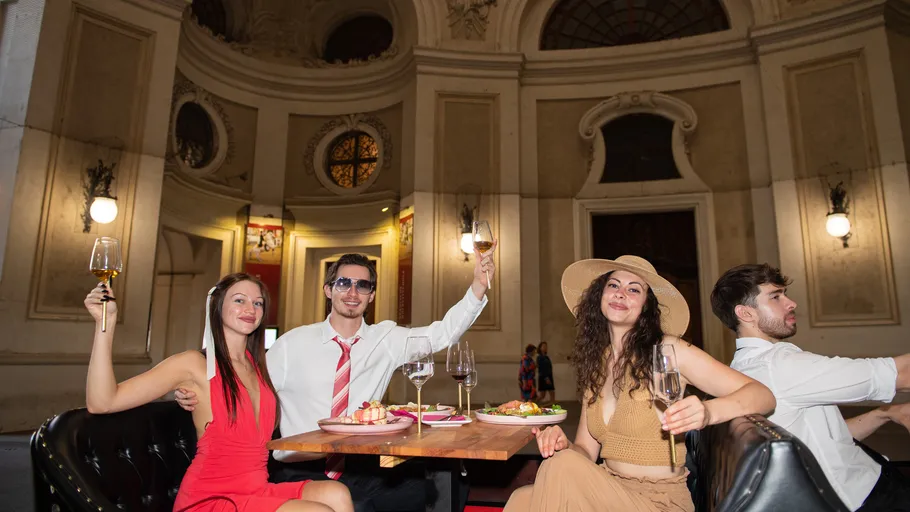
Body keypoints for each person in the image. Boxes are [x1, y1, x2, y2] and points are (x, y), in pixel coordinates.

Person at [177, 246, 496, 512]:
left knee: (422, 491)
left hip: (358, 465)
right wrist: (193, 390)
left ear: (371, 295)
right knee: (358, 503)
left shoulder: (387, 340)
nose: (353, 292)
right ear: (328, 290)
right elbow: (245, 387)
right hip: (298, 467)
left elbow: (440, 334)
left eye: (363, 285)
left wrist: (478, 288)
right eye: (344, 283)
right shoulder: (292, 344)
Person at [504, 255, 775, 512]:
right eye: (613, 285)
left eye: (634, 289)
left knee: (557, 468)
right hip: (610, 488)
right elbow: (586, 450)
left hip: (659, 501)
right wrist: (564, 444)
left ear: (646, 305)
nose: (621, 293)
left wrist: (709, 412)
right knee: (522, 498)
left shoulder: (668, 350)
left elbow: (762, 395)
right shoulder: (597, 364)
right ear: (600, 295)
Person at [83, 274, 353, 512]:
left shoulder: (260, 366)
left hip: (256, 488)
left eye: (257, 303)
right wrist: (104, 324)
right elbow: (103, 402)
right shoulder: (193, 365)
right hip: (211, 497)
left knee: (336, 493)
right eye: (239, 300)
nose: (250, 308)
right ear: (217, 306)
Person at [711, 263, 910, 511]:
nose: (791, 303)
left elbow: (825, 438)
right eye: (775, 297)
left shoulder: (738, 370)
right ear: (746, 313)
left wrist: (885, 413)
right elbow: (901, 375)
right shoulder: (779, 365)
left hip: (867, 477)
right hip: (867, 498)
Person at [536, 342, 555, 406]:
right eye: (543, 346)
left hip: (549, 376)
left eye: (546, 346)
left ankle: (550, 404)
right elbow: (541, 368)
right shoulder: (539, 357)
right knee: (542, 395)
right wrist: (546, 378)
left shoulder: (546, 357)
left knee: (551, 392)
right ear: (540, 348)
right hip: (544, 377)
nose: (545, 347)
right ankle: (532, 403)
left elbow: (549, 367)